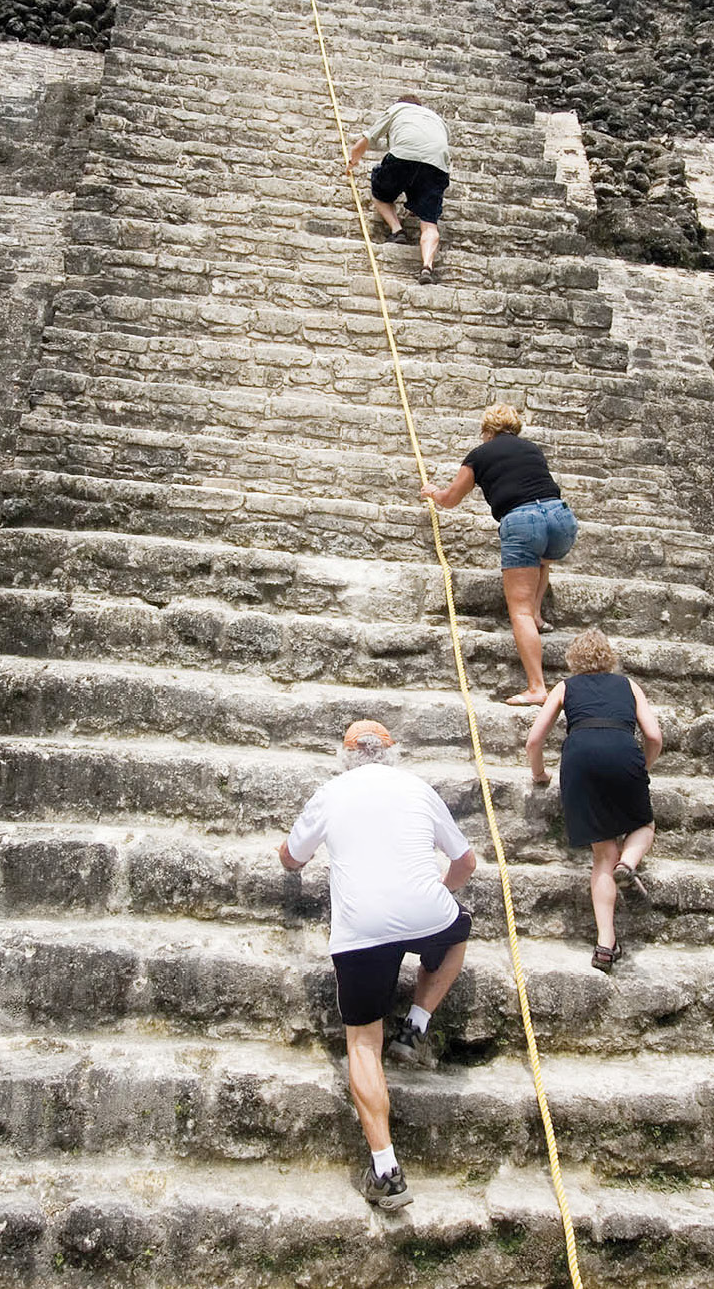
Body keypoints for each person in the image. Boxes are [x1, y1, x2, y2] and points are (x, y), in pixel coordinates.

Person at [278, 720, 476, 1210]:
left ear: (345, 757)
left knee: (364, 1044)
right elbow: (466, 864)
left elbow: (291, 860)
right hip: (426, 913)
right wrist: (436, 895)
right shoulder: (417, 787)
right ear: (392, 754)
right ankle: (415, 1025)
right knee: (457, 932)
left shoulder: (330, 792)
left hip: (360, 929)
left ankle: (386, 1170)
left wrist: (287, 854)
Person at [419, 403, 578, 702]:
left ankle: (537, 688)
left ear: (486, 430)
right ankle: (537, 614)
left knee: (517, 611)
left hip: (522, 521)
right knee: (542, 557)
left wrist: (433, 492)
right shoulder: (532, 449)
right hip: (561, 519)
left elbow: (452, 498)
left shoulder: (479, 455)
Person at [525, 629, 662, 971]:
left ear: (574, 659)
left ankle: (605, 945)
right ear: (609, 657)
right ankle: (629, 863)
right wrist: (641, 766)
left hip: (580, 757)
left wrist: (539, 774)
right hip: (623, 750)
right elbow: (654, 736)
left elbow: (533, 740)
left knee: (602, 856)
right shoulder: (629, 686)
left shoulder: (565, 687)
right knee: (644, 824)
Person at [346, 95, 450, 280]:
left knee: (380, 193)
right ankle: (427, 266)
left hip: (402, 157)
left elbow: (365, 140)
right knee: (429, 222)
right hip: (436, 166)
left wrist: (352, 161)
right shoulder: (438, 120)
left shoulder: (397, 109)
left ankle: (397, 230)